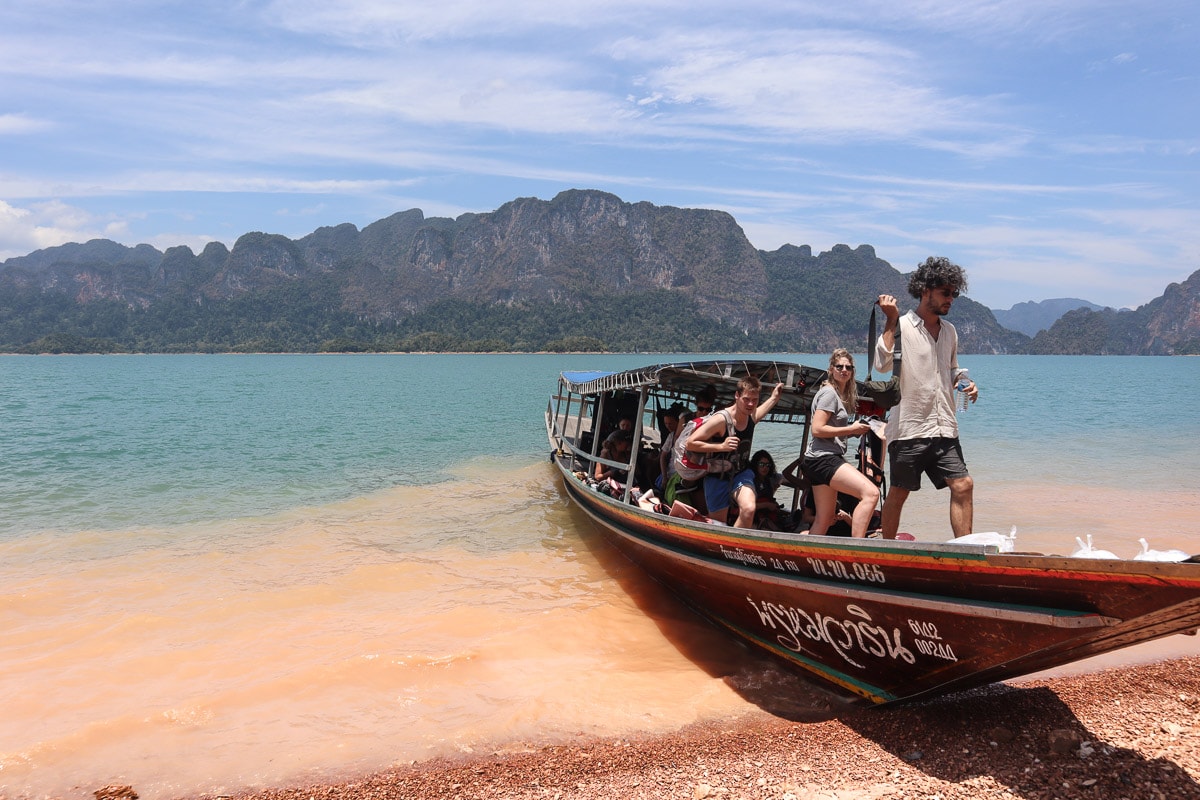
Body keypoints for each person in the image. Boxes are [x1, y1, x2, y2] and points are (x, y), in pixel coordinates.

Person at [874, 256, 979, 539]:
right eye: (945, 292)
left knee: (963, 485)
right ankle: (887, 551)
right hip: (909, 428)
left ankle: (965, 551)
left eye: (954, 293)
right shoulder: (902, 325)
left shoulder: (950, 332)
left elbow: (952, 370)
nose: (951, 299)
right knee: (898, 493)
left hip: (945, 427)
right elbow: (881, 364)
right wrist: (890, 319)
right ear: (925, 291)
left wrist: (966, 383)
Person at [800, 349, 881, 538]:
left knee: (824, 518)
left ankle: (808, 556)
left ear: (852, 371)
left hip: (815, 460)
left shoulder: (835, 395)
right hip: (824, 459)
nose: (844, 370)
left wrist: (854, 432)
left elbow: (830, 432)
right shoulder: (829, 394)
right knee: (871, 493)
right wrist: (851, 429)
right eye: (839, 367)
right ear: (831, 369)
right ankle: (856, 550)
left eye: (848, 367)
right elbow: (817, 429)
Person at [685, 376, 783, 527]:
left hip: (741, 473)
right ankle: (724, 548)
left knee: (749, 509)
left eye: (755, 400)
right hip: (717, 476)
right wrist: (721, 447)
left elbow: (763, 409)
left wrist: (774, 397)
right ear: (737, 396)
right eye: (746, 399)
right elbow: (691, 443)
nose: (751, 404)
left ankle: (735, 548)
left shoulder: (751, 417)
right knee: (719, 525)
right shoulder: (721, 420)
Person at [749, 450, 784, 530]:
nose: (765, 468)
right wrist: (767, 505)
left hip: (766, 516)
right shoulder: (750, 481)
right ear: (755, 465)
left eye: (768, 465)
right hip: (753, 517)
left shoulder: (768, 481)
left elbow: (783, 477)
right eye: (761, 464)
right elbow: (747, 506)